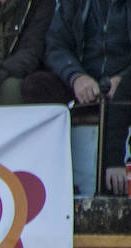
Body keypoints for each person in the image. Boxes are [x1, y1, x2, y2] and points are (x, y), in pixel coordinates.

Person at [22, 0, 131, 195]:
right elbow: (55, 46)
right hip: (82, 80)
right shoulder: (72, 3)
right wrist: (76, 77)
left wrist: (123, 78)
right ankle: (49, 179)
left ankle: (115, 175)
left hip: (124, 85)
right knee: (35, 85)